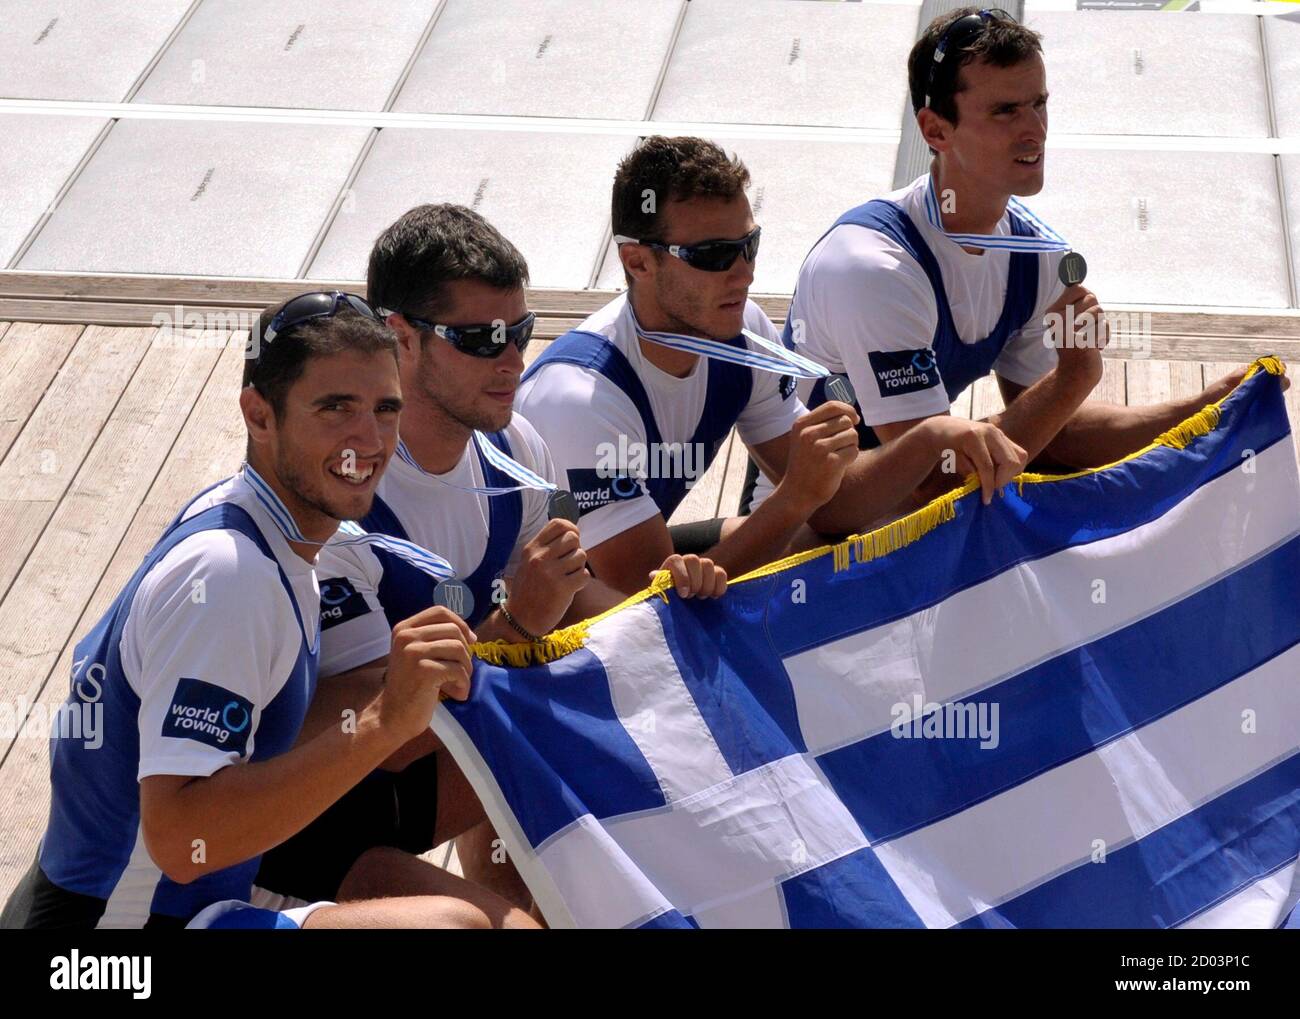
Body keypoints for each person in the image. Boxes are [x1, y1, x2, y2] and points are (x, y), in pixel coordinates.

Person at [0, 292, 533, 929]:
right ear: (258, 414)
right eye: (336, 408)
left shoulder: (252, 522)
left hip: (148, 899)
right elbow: (181, 841)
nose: (368, 440)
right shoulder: (232, 579)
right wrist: (385, 720)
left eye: (386, 409)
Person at [256, 205, 728, 915]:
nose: (513, 362)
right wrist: (513, 624)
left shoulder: (517, 451)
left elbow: (572, 605)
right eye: (480, 340)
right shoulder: (343, 502)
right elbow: (381, 739)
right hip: (315, 836)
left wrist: (663, 606)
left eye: (521, 332)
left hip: (435, 782)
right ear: (401, 338)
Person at [757, 7, 1251, 513]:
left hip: (903, 521)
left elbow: (1053, 432)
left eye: (1039, 104)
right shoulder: (874, 270)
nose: (1035, 130)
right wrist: (1073, 377)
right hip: (804, 534)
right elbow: (931, 482)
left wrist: (1205, 409)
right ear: (935, 131)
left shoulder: (1036, 254)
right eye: (1005, 111)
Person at [515, 135, 1026, 596]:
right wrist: (793, 499)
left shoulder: (742, 330)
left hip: (628, 567)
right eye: (713, 256)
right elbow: (651, 610)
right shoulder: (579, 401)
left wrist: (933, 435)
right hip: (534, 610)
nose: (741, 273)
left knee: (864, 539)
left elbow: (836, 507)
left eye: (748, 246)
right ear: (638, 262)